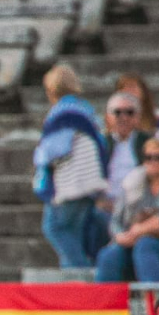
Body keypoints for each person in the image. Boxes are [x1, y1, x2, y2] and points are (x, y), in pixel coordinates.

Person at [34, 64, 110, 269]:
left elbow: (53, 149)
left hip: (71, 184)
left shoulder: (62, 113)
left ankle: (80, 274)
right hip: (90, 181)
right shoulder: (86, 109)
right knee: (74, 234)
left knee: (55, 228)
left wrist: (40, 161)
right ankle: (73, 277)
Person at [94, 139, 159, 283]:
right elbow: (116, 220)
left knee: (146, 245)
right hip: (132, 241)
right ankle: (106, 297)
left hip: (154, 244)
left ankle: (154, 295)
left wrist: (141, 229)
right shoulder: (132, 184)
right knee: (109, 255)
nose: (153, 162)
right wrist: (120, 236)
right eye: (148, 157)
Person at [103, 91, 151, 208]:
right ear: (108, 117)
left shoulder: (148, 142)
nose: (124, 117)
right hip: (106, 205)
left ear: (138, 116)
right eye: (117, 112)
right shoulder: (101, 143)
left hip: (140, 205)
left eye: (130, 112)